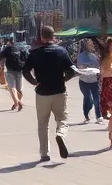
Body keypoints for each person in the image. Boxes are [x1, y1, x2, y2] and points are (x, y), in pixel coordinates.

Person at [23, 24, 77, 162]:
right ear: (54, 37)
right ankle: (60, 134)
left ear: (41, 37)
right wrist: (64, 79)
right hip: (59, 90)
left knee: (42, 123)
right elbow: (72, 70)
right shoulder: (61, 51)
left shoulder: (35, 53)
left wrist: (34, 82)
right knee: (62, 119)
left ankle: (44, 153)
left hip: (42, 92)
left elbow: (25, 70)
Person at [74, 39, 103, 124]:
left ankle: (98, 116)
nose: (91, 46)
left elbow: (98, 68)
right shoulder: (80, 56)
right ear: (85, 45)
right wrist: (86, 68)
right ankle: (86, 115)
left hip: (94, 81)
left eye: (92, 44)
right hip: (84, 81)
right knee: (88, 98)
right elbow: (79, 68)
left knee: (96, 99)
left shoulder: (95, 56)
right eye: (89, 44)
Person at [0, 36, 26, 112]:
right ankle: (17, 102)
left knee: (12, 87)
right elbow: (24, 59)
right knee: (19, 89)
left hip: (10, 70)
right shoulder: (20, 48)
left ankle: (17, 102)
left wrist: (1, 67)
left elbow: (2, 59)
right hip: (19, 70)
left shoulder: (7, 49)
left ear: (9, 42)